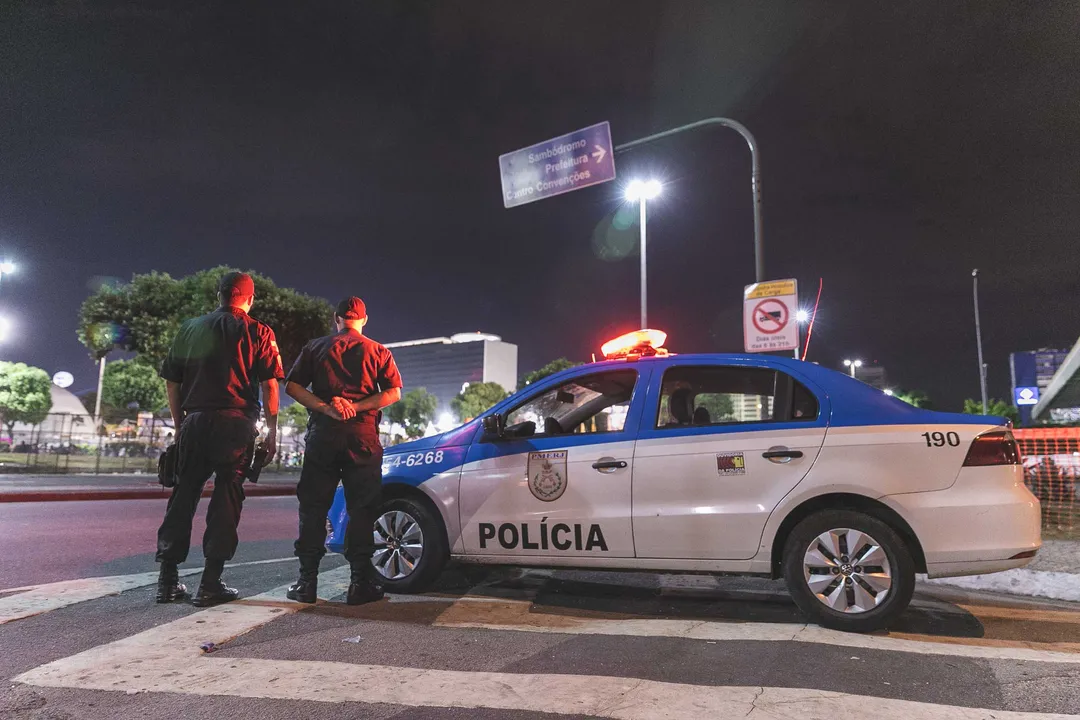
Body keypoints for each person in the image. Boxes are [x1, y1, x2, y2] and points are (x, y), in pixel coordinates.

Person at [155, 271, 283, 606]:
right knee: (227, 499)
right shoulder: (259, 331)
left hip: (196, 421)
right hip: (237, 424)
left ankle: (167, 580)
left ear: (219, 295)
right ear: (250, 300)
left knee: (183, 496)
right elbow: (271, 385)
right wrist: (272, 433)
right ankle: (210, 583)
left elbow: (172, 381)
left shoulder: (190, 328)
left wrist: (181, 423)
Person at [284, 296, 402, 605]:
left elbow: (292, 387)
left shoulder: (315, 347)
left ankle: (306, 583)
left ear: (337, 319)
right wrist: (357, 406)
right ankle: (359, 584)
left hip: (323, 434)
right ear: (364, 320)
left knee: (313, 508)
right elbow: (393, 393)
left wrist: (328, 407)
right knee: (362, 509)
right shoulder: (379, 351)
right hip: (362, 436)